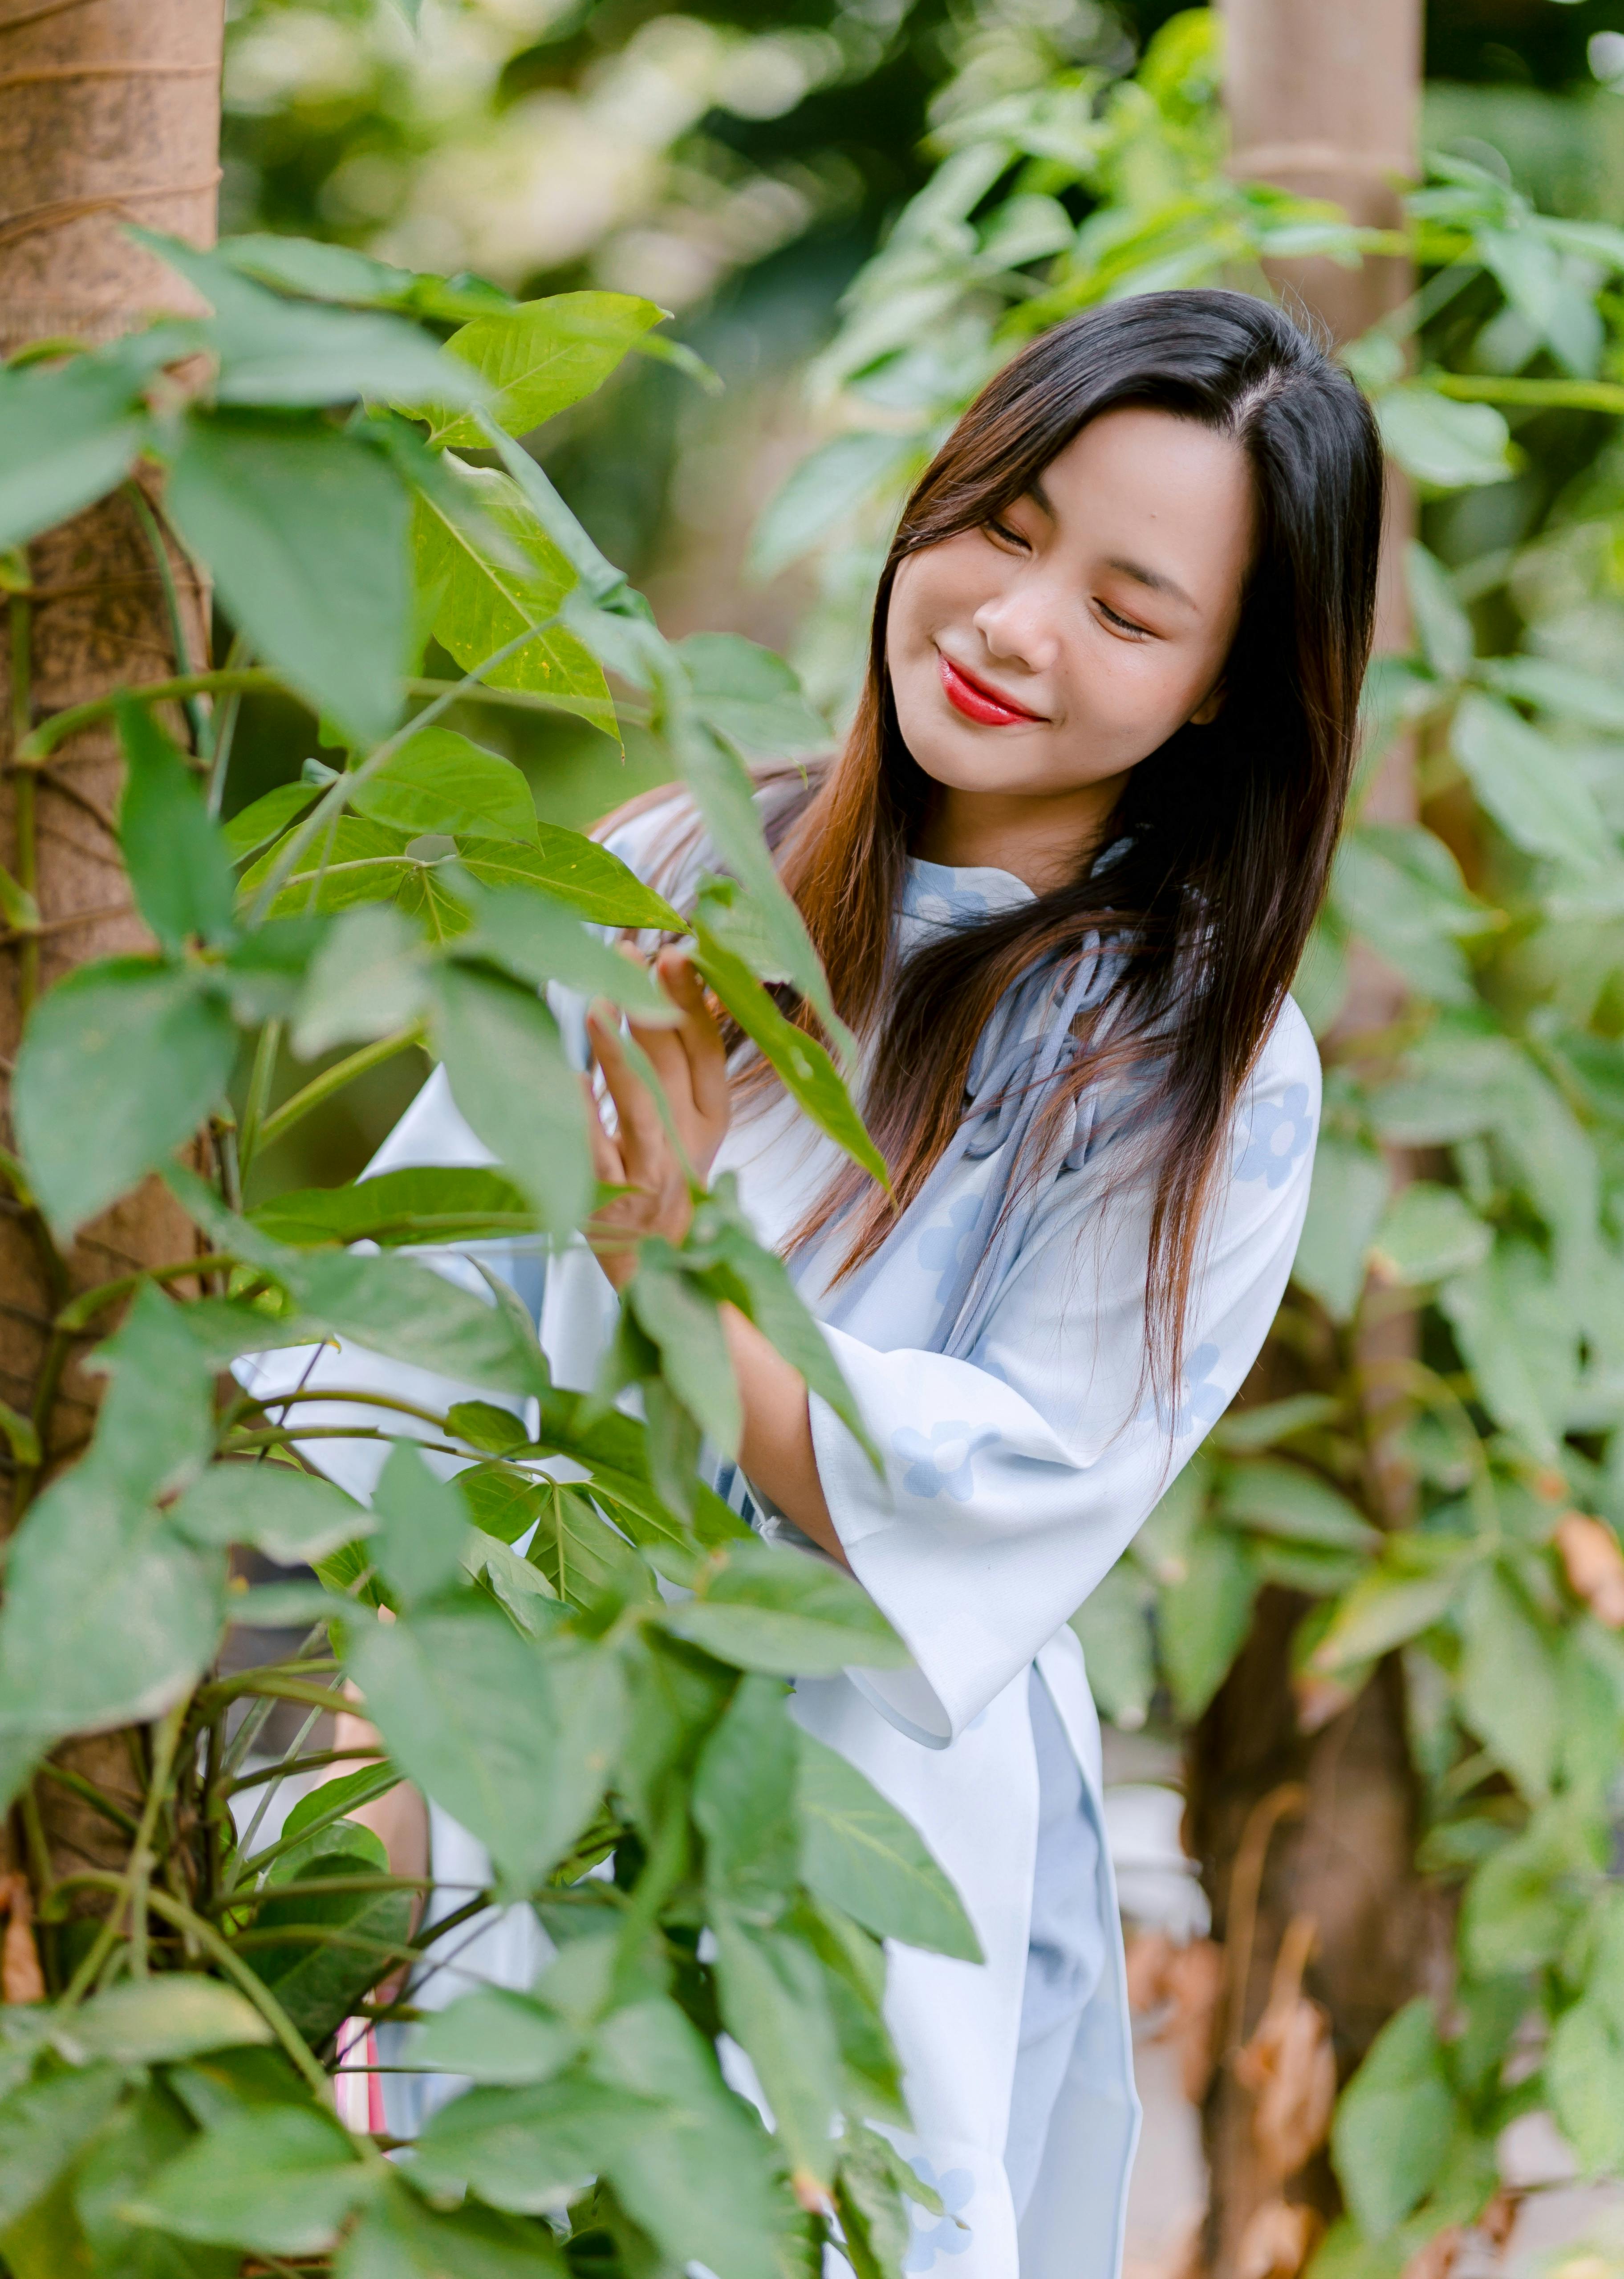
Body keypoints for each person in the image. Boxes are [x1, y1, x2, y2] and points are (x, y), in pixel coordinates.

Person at [255, 288, 1382, 2278]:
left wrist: (681, 1254)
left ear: (1225, 687)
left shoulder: (1202, 1063)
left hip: (842, 1868)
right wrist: (332, 1892)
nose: (1016, 626)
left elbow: (940, 1530)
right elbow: (416, 1378)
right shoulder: (679, 854)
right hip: (508, 1758)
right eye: (1006, 527)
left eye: (1129, 612)